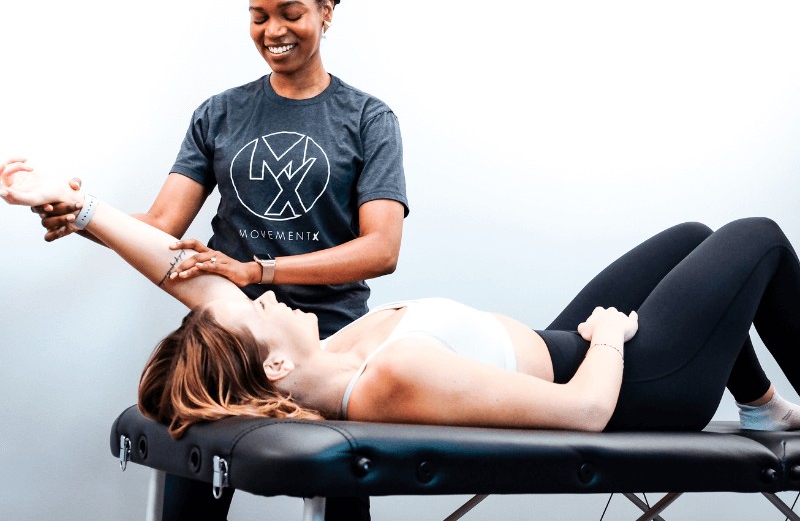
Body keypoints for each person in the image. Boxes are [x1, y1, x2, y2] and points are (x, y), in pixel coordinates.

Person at [5, 161, 800, 444]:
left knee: (693, 237)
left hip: (560, 342)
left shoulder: (309, 360)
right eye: (259, 311)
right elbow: (587, 415)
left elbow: (178, 271)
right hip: (634, 386)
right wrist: (613, 339)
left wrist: (83, 210)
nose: (263, 295)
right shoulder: (386, 378)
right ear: (273, 359)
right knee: (757, 237)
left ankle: (765, 408)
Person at [29, 0, 408, 521]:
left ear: (326, 11)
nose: (272, 32)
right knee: (189, 505)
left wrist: (258, 268)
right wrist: (81, 216)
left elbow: (381, 249)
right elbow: (161, 223)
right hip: (222, 345)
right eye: (258, 16)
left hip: (329, 344)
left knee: (340, 509)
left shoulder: (368, 119)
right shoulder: (219, 113)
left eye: (290, 13)